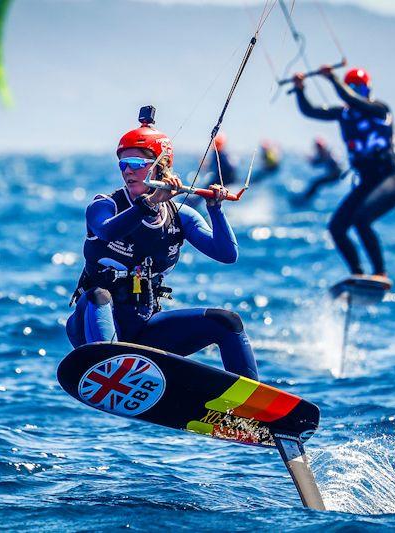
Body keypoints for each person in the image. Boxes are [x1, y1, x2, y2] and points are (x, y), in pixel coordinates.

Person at [65, 108, 258, 380]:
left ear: (161, 165)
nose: (128, 171)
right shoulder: (104, 206)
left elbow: (227, 254)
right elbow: (107, 232)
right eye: (123, 164)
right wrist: (150, 202)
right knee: (99, 295)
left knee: (227, 322)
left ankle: (249, 403)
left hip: (143, 332)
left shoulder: (181, 216)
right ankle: (113, 371)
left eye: (136, 162)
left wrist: (214, 208)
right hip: (91, 326)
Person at [291, 66, 395, 280]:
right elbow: (310, 111)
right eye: (351, 87)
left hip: (391, 178)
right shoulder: (343, 114)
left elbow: (350, 98)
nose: (355, 92)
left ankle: (380, 272)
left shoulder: (380, 110)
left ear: (367, 90)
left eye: (359, 88)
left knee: (362, 219)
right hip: (367, 182)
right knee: (336, 228)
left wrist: (333, 79)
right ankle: (357, 275)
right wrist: (300, 89)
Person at [297, 136, 344, 202]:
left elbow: (337, 162)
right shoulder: (323, 154)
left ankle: (305, 199)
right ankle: (305, 198)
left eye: (319, 147)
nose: (318, 149)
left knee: (316, 183)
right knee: (316, 183)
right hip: (333, 174)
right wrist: (310, 159)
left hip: (337, 175)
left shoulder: (330, 152)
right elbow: (315, 164)